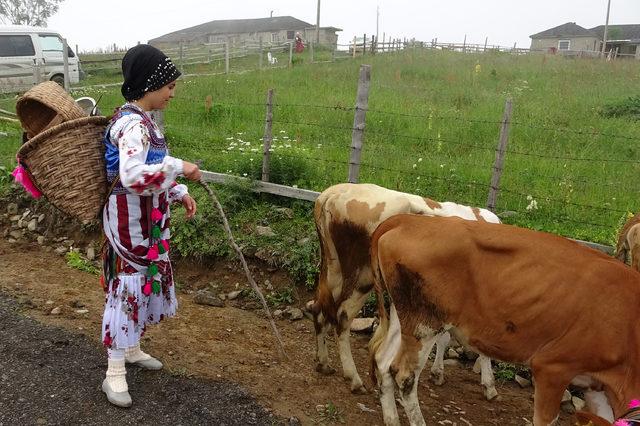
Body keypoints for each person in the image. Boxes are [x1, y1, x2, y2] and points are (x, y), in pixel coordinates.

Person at [100, 44, 201, 408]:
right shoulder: (130, 126)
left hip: (148, 221)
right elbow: (131, 176)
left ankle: (132, 349)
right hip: (127, 224)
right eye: (169, 85)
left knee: (143, 283)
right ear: (150, 83)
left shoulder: (145, 123)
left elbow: (150, 171)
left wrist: (176, 191)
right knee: (126, 287)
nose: (172, 92)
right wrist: (179, 165)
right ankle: (114, 374)